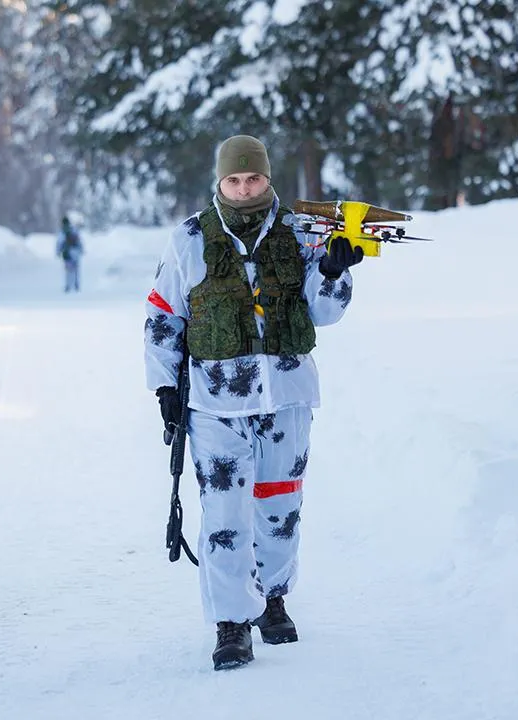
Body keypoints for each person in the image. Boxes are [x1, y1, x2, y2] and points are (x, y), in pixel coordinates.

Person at [143, 135, 364, 671]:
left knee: (280, 506)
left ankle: (272, 598)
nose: (244, 189)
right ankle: (230, 623)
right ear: (219, 182)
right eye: (233, 180)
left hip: (286, 397)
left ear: (269, 179)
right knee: (224, 514)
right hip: (216, 405)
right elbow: (162, 316)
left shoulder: (303, 233)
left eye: (254, 179)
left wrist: (334, 271)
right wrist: (166, 386)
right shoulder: (191, 238)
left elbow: (325, 312)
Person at [55, 215, 84, 293]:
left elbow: (59, 243)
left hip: (67, 253)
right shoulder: (74, 230)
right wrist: (81, 249)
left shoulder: (63, 232)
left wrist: (58, 252)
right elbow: (79, 241)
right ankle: (76, 284)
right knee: (76, 269)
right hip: (75, 252)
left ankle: (68, 285)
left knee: (68, 270)